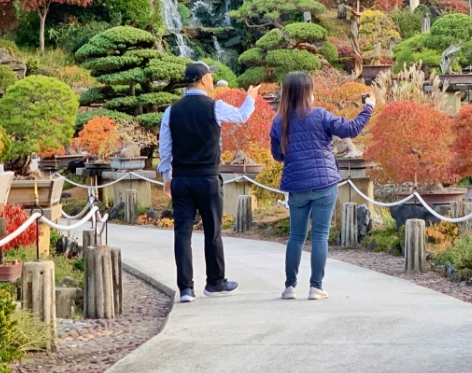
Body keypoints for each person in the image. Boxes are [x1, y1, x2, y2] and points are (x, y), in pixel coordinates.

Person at [158, 61, 259, 303]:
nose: (213, 81)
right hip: (208, 178)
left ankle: (185, 289)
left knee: (182, 233)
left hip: (182, 179)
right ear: (203, 79)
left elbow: (165, 146)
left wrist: (166, 176)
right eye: (210, 77)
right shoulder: (215, 106)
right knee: (212, 231)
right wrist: (251, 97)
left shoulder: (171, 110)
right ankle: (214, 282)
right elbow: (242, 116)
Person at [270, 72, 374, 301]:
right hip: (324, 184)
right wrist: (369, 107)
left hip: (296, 185)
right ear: (308, 91)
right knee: (320, 236)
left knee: (295, 237)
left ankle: (290, 287)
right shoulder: (320, 115)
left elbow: (278, 155)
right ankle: (316, 287)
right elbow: (351, 129)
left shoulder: (279, 121)